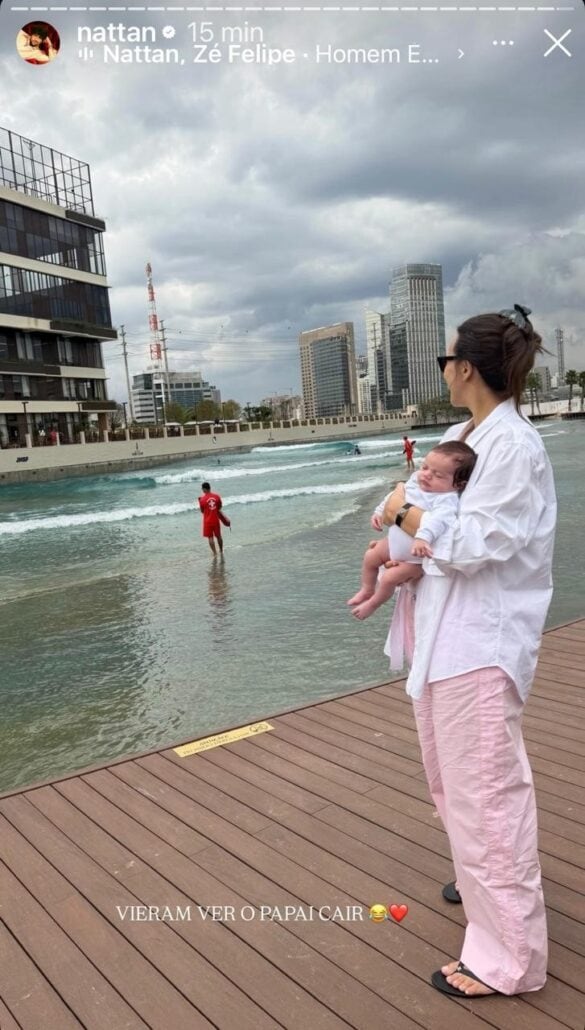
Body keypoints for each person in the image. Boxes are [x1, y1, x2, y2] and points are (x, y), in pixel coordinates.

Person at [381, 304, 556, 998]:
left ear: (466, 368)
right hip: (446, 640)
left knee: (488, 799)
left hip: (480, 643)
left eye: (446, 358)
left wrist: (402, 510)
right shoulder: (465, 436)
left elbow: (477, 542)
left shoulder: (512, 447)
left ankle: (507, 958)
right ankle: (482, 884)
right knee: (455, 788)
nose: (444, 369)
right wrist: (405, 520)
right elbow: (434, 516)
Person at [347, 442, 476, 620]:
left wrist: (422, 538)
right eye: (425, 467)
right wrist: (379, 512)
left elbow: (436, 522)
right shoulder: (416, 483)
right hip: (394, 544)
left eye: (438, 475)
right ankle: (367, 589)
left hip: (414, 559)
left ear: (459, 485)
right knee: (371, 556)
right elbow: (393, 497)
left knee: (389, 578)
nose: (427, 475)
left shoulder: (445, 500)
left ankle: (373, 604)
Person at [197, 482, 229, 556]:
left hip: (207, 521)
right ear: (209, 488)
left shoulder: (202, 500)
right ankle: (221, 550)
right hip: (215, 520)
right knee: (218, 536)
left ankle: (215, 553)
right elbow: (219, 507)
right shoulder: (217, 496)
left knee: (210, 537)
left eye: (202, 489)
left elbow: (202, 511)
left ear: (204, 489)